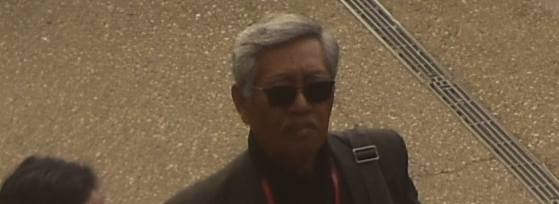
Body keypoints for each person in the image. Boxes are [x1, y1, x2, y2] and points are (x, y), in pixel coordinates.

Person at [164, 18, 426, 204]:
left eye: (317, 88)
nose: (301, 105)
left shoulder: (383, 159)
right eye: (281, 93)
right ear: (242, 103)